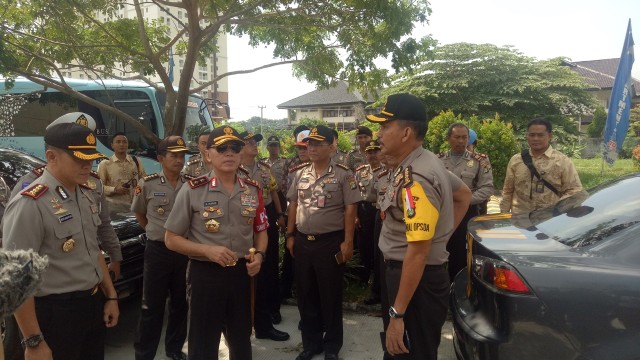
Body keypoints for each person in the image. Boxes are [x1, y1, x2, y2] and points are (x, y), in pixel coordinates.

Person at [2, 121, 120, 360]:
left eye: (91, 158)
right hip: (55, 315)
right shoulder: (30, 203)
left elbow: (93, 251)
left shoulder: (84, 193)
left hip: (91, 306)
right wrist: (33, 340)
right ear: (51, 156)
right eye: (79, 159)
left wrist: (110, 295)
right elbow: (17, 280)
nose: (88, 165)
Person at [366, 93, 471, 360]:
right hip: (412, 275)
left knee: (408, 352)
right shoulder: (421, 161)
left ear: (406, 133)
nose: (379, 134)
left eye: (385, 127)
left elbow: (418, 252)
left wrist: (397, 313)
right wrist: (440, 238)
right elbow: (463, 195)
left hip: (413, 281)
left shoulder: (417, 179)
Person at [164, 126, 268, 360]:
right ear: (208, 154)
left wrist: (260, 256)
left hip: (242, 274)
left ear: (241, 154)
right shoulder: (192, 190)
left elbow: (261, 231)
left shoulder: (252, 189)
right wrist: (207, 250)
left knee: (241, 340)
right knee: (202, 343)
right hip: (205, 276)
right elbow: (171, 239)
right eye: (222, 148)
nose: (229, 153)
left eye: (235, 148)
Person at [286, 125, 361, 360]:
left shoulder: (343, 174)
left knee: (330, 295)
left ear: (332, 146)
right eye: (310, 143)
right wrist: (289, 235)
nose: (313, 148)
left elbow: (351, 209)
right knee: (306, 295)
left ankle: (331, 347)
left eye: (318, 144)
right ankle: (311, 344)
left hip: (330, 243)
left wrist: (348, 242)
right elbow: (293, 206)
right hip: (302, 242)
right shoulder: (300, 173)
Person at [131, 136, 190, 360]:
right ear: (160, 158)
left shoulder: (191, 184)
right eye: (173, 155)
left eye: (182, 155)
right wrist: (157, 233)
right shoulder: (148, 183)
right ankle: (144, 354)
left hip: (184, 251)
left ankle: (174, 349)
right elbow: (140, 215)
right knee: (151, 307)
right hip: (157, 252)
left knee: (180, 304)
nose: (179, 160)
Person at [238, 131, 289, 341]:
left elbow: (274, 192)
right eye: (250, 142)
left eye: (256, 142)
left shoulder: (265, 169)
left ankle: (271, 312)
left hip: (264, 216)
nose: (254, 145)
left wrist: (280, 214)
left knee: (268, 266)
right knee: (244, 273)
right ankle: (244, 323)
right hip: (241, 223)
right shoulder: (233, 170)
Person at [438, 123, 494, 281]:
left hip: (467, 214)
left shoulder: (480, 161)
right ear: (448, 138)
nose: (461, 141)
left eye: (464, 137)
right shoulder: (438, 160)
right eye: (457, 137)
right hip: (442, 213)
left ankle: (461, 287)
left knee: (463, 254)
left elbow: (487, 188)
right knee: (440, 250)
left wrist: (464, 200)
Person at [500, 118, 583, 214]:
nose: (535, 138)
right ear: (527, 136)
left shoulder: (562, 161)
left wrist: (557, 210)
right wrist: (504, 215)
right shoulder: (516, 160)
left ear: (550, 136)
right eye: (532, 135)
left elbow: (574, 190)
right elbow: (507, 191)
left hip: (549, 220)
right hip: (520, 218)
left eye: (540, 135)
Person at [280, 127, 311, 301]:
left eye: (305, 147)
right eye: (299, 147)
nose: (302, 150)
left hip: (311, 221)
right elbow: (285, 190)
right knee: (290, 254)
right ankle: (286, 289)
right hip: (293, 216)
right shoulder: (291, 165)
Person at [354, 139, 384, 304]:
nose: (372, 155)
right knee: (363, 246)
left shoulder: (387, 171)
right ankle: (362, 279)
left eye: (375, 151)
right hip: (363, 211)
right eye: (369, 152)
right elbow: (354, 195)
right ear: (365, 154)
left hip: (379, 211)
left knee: (377, 248)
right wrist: (355, 215)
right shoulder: (360, 171)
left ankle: (377, 283)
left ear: (381, 153)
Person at [97, 132, 146, 206]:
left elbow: (143, 181)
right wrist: (114, 189)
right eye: (118, 142)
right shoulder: (105, 164)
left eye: (124, 142)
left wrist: (138, 192)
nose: (121, 144)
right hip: (114, 207)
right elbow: (99, 187)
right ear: (112, 145)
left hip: (135, 206)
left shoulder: (136, 161)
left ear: (127, 144)